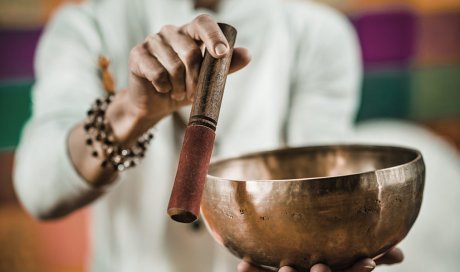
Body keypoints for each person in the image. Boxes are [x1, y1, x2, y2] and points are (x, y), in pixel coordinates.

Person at [14, 0, 403, 271]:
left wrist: (333, 245)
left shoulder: (318, 34)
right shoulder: (86, 25)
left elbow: (316, 187)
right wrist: (133, 111)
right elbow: (40, 190)